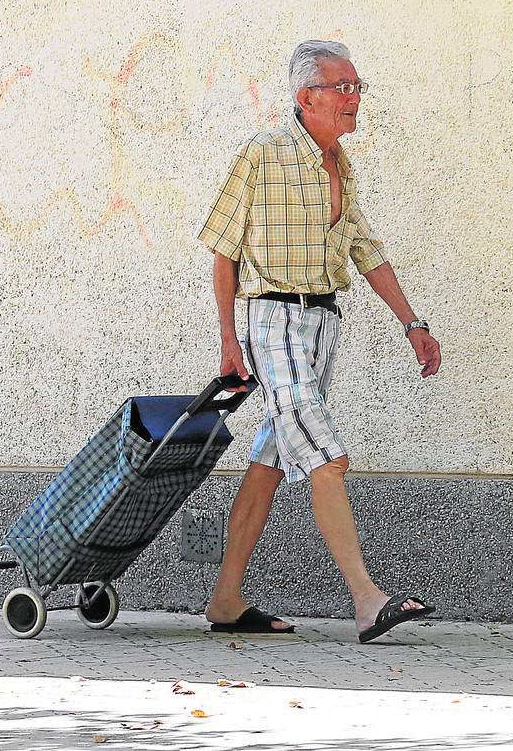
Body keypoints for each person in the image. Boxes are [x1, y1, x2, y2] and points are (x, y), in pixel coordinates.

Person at [197, 39, 442, 644]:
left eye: (358, 87)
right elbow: (223, 248)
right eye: (343, 88)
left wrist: (413, 324)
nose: (354, 99)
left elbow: (364, 249)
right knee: (324, 452)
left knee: (272, 461)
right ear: (306, 97)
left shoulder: (339, 164)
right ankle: (367, 599)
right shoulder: (263, 153)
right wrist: (229, 339)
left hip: (322, 321)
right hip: (272, 318)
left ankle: (225, 599)